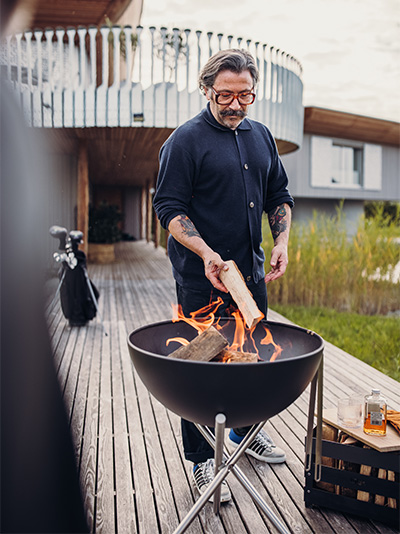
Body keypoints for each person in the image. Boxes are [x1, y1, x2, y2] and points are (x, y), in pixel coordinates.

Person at [153, 48, 294, 503]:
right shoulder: (184, 141)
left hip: (250, 279)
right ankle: (200, 460)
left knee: (251, 361)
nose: (235, 104)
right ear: (206, 89)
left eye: (246, 95)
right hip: (201, 279)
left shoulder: (263, 136)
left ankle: (245, 436)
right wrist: (208, 253)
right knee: (200, 372)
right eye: (225, 95)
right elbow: (168, 209)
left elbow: (279, 194)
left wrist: (282, 242)